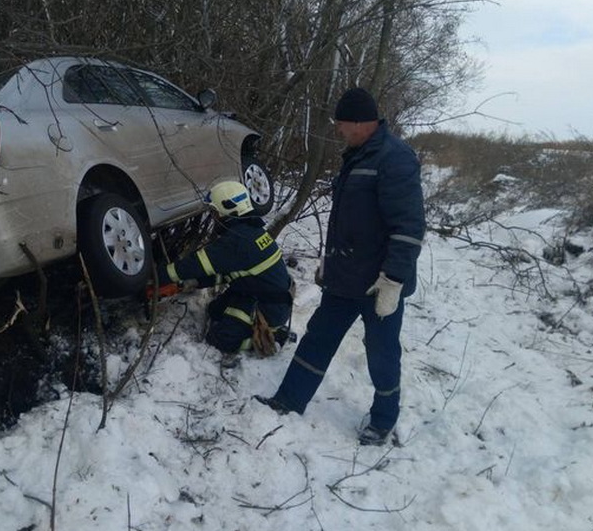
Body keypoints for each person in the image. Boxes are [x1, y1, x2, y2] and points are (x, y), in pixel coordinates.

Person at [255, 87, 425, 446]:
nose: (339, 131)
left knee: (381, 353)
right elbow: (347, 221)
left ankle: (382, 420)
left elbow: (408, 228)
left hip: (379, 283)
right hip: (345, 277)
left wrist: (393, 280)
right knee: (318, 338)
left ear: (362, 123)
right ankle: (289, 400)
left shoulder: (395, 159)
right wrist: (328, 263)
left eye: (343, 124)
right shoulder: (359, 155)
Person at [154, 180, 293, 366]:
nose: (214, 217)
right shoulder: (251, 231)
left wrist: (156, 276)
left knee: (219, 339)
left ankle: (274, 337)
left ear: (229, 209)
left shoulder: (236, 241)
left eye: (216, 212)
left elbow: (195, 264)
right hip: (257, 293)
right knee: (214, 311)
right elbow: (229, 272)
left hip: (267, 307)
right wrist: (190, 283)